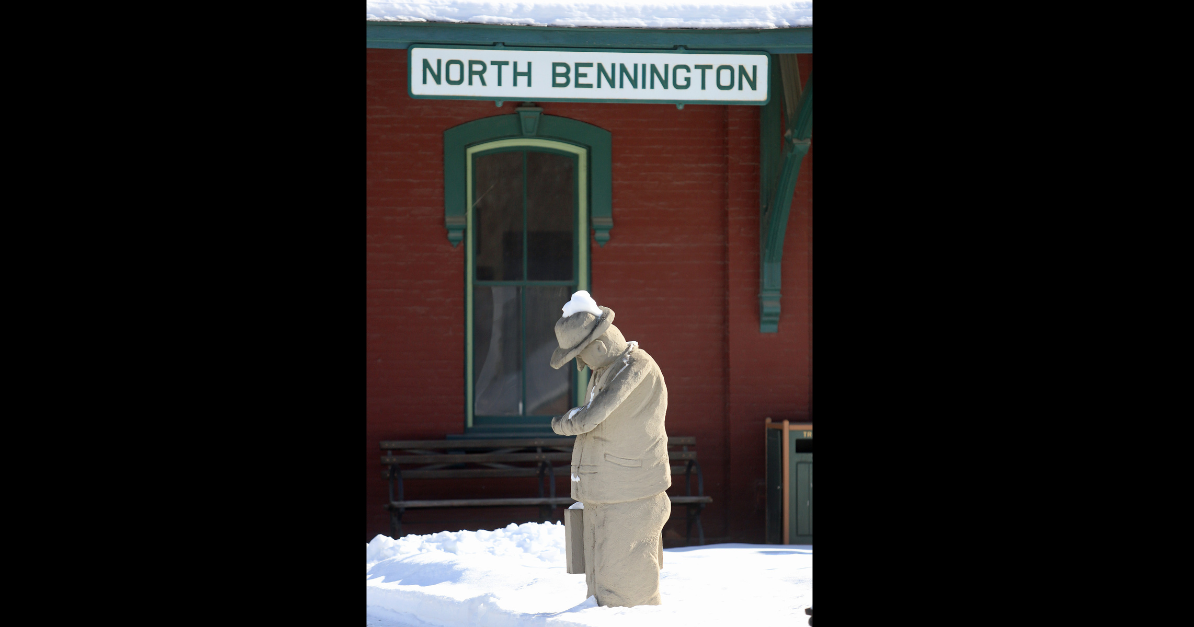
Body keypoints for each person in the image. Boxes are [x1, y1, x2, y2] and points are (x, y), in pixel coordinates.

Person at [549, 291, 670, 607]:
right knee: (599, 575)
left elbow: (590, 417)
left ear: (600, 347)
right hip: (604, 489)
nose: (580, 364)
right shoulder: (606, 370)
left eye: (581, 355)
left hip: (629, 491)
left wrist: (562, 422)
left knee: (624, 584)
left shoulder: (635, 367)